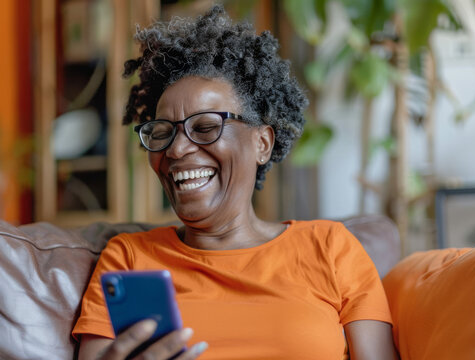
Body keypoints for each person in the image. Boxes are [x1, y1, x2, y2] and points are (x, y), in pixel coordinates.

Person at [73, 5, 397, 360]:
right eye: (163, 132)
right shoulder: (128, 259)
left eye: (206, 127)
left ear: (262, 143)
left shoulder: (331, 248)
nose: (177, 149)